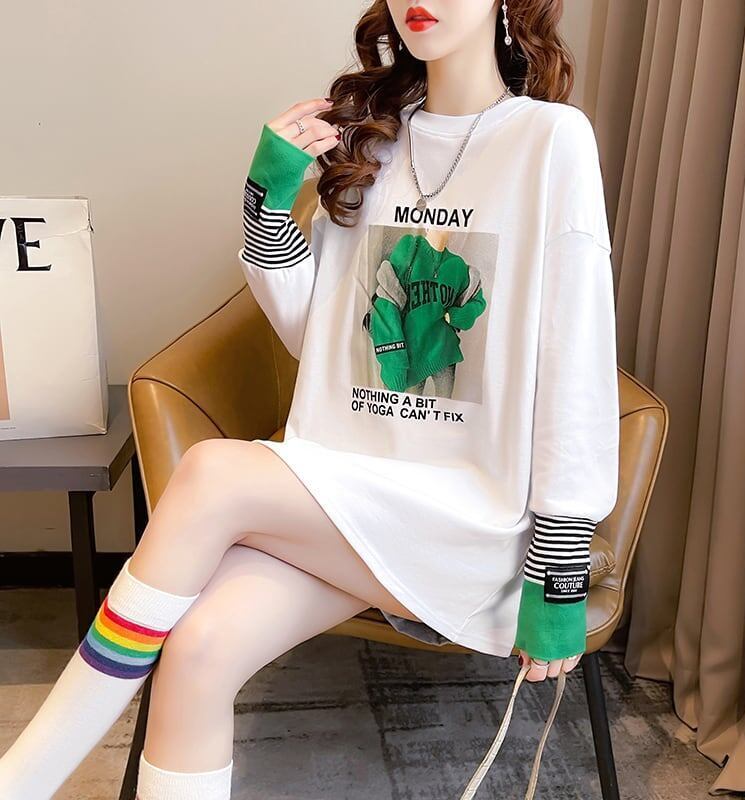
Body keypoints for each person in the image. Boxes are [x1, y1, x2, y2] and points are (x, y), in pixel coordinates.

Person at [0, 1, 619, 798]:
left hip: (469, 523)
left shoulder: (551, 141)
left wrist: (560, 569)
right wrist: (267, 204)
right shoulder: (374, 139)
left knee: (213, 473)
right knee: (200, 650)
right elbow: (319, 340)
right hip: (349, 496)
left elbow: (577, 358)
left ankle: (20, 782)